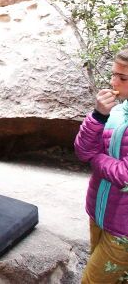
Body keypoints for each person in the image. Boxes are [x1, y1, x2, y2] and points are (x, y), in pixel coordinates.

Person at [74, 48, 128, 284]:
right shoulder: (116, 111)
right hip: (100, 213)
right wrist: (98, 115)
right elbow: (82, 149)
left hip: (123, 231)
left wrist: (95, 159)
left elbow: (125, 175)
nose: (112, 81)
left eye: (122, 77)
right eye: (114, 74)